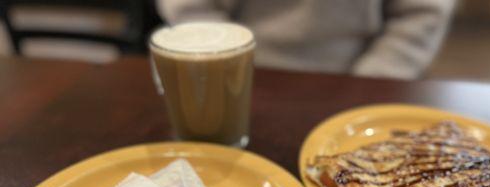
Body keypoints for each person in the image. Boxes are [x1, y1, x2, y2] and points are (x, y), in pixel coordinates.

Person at [156, 0, 456, 79]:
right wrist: (231, 64)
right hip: (239, 75)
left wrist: (372, 78)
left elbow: (421, 14)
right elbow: (193, 8)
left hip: (361, 77)